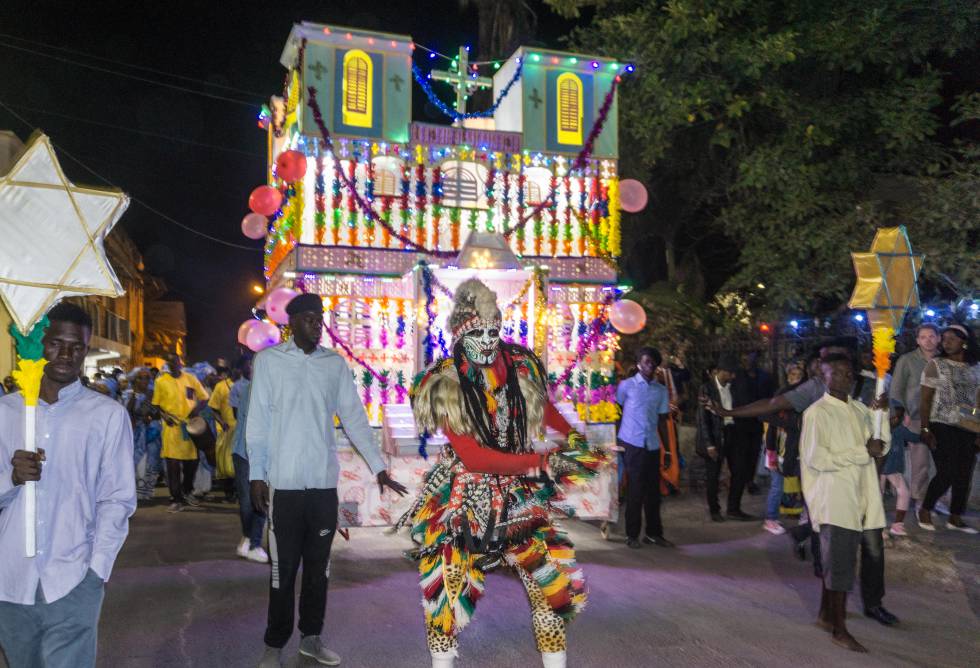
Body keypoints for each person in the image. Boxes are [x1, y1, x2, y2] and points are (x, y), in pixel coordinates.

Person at [396, 279, 601, 668]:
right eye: (477, 332)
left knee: (549, 585)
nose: (488, 341)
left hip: (518, 495)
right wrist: (536, 463)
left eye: (494, 330)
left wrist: (575, 439)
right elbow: (473, 457)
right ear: (459, 335)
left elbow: (544, 410)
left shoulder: (518, 365)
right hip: (464, 494)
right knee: (446, 589)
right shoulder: (446, 382)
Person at [247, 293, 408, 668]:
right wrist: (257, 475)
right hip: (283, 487)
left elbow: (353, 418)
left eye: (320, 318)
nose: (317, 325)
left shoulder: (334, 365)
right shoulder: (269, 362)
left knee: (318, 571)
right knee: (282, 573)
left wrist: (378, 466)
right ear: (291, 324)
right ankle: (274, 644)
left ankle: (311, 638)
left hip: (322, 488)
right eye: (309, 319)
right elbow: (257, 424)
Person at [0, 302, 136, 667]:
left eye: (77, 346)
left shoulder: (107, 416)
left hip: (73, 578)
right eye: (56, 343)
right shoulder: (6, 412)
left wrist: (96, 571)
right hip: (10, 580)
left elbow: (118, 499)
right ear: (38, 342)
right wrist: (10, 478)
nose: (66, 354)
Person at [801, 354, 889, 653]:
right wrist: (860, 452)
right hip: (834, 498)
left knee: (840, 561)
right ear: (822, 376)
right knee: (840, 566)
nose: (843, 376)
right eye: (834, 372)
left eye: (847, 372)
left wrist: (882, 417)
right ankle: (840, 629)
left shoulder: (861, 409)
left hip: (862, 495)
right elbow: (817, 458)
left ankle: (827, 615)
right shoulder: (817, 413)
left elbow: (879, 446)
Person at [917, 324, 980, 534]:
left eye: (952, 338)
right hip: (941, 423)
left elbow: (978, 402)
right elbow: (925, 399)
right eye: (944, 338)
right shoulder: (937, 364)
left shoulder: (976, 367)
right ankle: (926, 508)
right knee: (948, 471)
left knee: (964, 473)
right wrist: (925, 429)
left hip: (969, 426)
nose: (946, 342)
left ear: (964, 341)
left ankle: (955, 516)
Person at [617, 346, 676, 546]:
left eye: (653, 362)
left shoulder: (660, 391)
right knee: (635, 490)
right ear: (638, 364)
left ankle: (653, 533)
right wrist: (618, 440)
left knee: (653, 492)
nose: (650, 366)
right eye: (646, 362)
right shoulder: (627, 386)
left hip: (651, 445)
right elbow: (617, 410)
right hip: (632, 443)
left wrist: (667, 450)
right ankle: (631, 535)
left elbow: (662, 421)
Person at [152, 353, 209, 513]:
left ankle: (186, 490)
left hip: (190, 427)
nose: (173, 364)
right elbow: (157, 404)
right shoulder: (161, 381)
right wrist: (165, 417)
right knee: (173, 465)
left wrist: (195, 411)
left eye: (175, 361)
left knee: (192, 463)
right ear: (167, 364)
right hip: (172, 428)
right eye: (169, 362)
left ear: (180, 362)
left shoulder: (190, 378)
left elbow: (204, 398)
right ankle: (176, 499)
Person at [695, 354, 742, 522]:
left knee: (738, 471)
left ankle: (734, 509)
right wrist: (709, 444)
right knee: (713, 475)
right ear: (721, 372)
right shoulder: (706, 388)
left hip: (732, 433)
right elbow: (703, 418)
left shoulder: (733, 387)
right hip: (715, 436)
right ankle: (715, 510)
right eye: (731, 373)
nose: (733, 376)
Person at [762, 359, 806, 535]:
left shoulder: (804, 397)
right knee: (777, 485)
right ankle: (770, 519)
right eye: (793, 376)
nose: (796, 379)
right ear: (788, 378)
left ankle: (806, 514)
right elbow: (770, 423)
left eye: (799, 376)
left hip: (798, 449)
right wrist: (771, 451)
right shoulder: (781, 397)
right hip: (779, 448)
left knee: (805, 483)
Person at [231, 357, 267, 563]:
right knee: (251, 501)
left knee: (255, 500)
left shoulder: (253, 388)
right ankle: (251, 540)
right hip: (248, 451)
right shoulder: (255, 390)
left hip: (251, 452)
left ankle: (250, 541)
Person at [733, 350, 774, 494]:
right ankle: (742, 480)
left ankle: (749, 480)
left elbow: (769, 397)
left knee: (753, 452)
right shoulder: (737, 376)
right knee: (742, 453)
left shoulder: (764, 377)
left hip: (757, 421)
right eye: (747, 358)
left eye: (752, 358)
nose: (749, 361)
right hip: (741, 421)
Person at [124, 367, 163, 501]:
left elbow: (158, 412)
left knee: (151, 461)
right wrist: (134, 396)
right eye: (141, 377)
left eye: (147, 377)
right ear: (134, 380)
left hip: (152, 432)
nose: (145, 380)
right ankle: (135, 491)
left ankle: (147, 491)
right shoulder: (128, 394)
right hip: (135, 433)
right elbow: (126, 412)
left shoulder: (153, 394)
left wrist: (151, 417)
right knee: (137, 461)